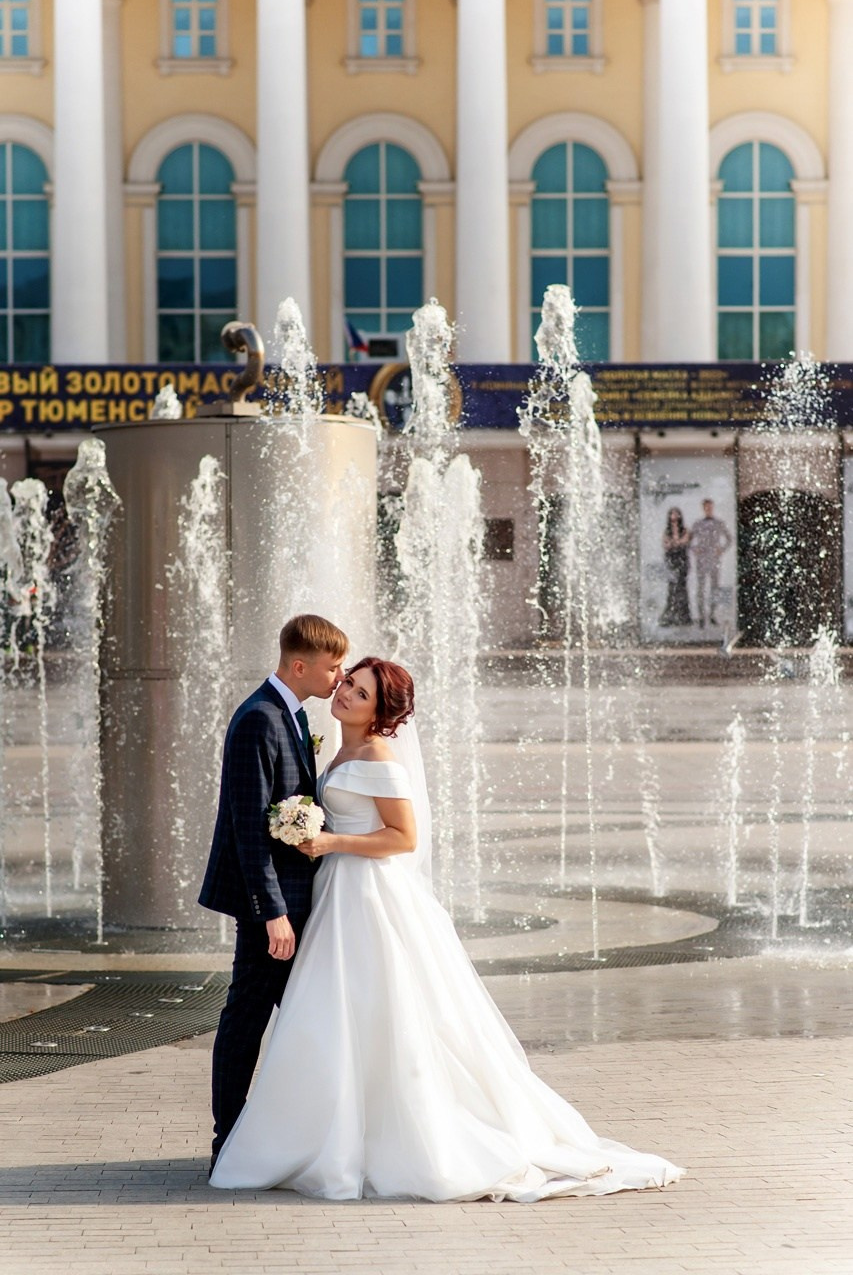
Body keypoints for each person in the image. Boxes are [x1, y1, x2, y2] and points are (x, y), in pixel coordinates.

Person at [209, 656, 684, 1201]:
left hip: (367, 893)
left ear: (379, 713)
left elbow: (403, 837)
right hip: (336, 892)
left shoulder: (379, 757)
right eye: (349, 683)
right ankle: (334, 1128)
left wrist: (333, 841)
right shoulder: (337, 748)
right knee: (339, 1013)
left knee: (379, 1009)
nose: (345, 693)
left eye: (360, 694)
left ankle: (386, 1135)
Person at [198, 613, 348, 1177]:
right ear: (300, 666)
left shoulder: (292, 713)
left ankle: (291, 1138)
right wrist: (273, 914)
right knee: (246, 1019)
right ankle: (228, 1143)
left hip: (292, 900)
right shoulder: (259, 719)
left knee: (302, 1018)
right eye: (333, 668)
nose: (339, 677)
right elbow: (246, 827)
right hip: (274, 907)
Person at [690, 498, 733, 628]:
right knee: (701, 588)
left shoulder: (719, 523)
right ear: (703, 508)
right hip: (702, 560)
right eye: (706, 507)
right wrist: (694, 548)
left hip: (714, 560)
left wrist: (722, 549)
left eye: (710, 507)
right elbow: (689, 540)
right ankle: (701, 616)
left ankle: (712, 614)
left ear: (712, 507)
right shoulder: (698, 524)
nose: (708, 509)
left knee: (714, 588)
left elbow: (729, 538)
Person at [659, 506, 692, 627]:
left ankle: (684, 616)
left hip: (681, 560)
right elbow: (666, 543)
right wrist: (675, 542)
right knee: (672, 588)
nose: (674, 517)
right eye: (672, 514)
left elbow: (684, 541)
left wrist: (675, 542)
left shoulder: (684, 529)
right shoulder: (667, 530)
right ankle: (670, 615)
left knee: (682, 588)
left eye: (676, 514)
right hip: (671, 560)